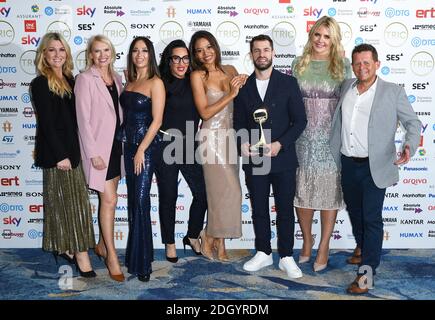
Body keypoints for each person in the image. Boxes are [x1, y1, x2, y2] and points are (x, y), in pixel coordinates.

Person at [330, 43, 421, 294]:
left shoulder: (393, 92)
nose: (362, 68)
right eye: (357, 63)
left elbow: (413, 124)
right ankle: (362, 248)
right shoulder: (346, 86)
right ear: (353, 66)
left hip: (375, 167)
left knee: (371, 219)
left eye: (367, 63)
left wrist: (408, 147)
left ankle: (366, 275)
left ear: (377, 64)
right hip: (348, 163)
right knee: (356, 213)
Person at [234, 34, 307, 279]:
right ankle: (263, 252)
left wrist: (279, 144)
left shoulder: (288, 83)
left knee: (285, 208)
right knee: (259, 209)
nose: (261, 54)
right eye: (257, 50)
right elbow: (238, 123)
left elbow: (300, 121)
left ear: (273, 53)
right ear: (251, 55)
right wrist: (242, 142)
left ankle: (286, 256)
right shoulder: (244, 87)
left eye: (266, 50)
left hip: (282, 157)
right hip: (255, 158)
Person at [31, 32, 96, 277]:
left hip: (74, 151)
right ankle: (80, 253)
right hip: (58, 155)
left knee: (76, 203)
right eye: (51, 50)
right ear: (44, 55)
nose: (57, 54)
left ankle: (68, 247)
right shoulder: (40, 83)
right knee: (64, 204)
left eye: (61, 50)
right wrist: (60, 156)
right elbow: (46, 124)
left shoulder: (71, 79)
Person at [291, 16, 351, 272]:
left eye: (327, 36)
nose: (321, 40)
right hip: (302, 139)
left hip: (330, 140)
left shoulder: (343, 65)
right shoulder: (298, 64)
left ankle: (324, 245)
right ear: (311, 36)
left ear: (334, 39)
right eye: (317, 34)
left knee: (328, 195)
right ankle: (307, 241)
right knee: (303, 195)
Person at [190, 30, 246, 261]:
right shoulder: (197, 76)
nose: (205, 53)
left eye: (209, 47)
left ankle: (218, 243)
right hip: (210, 138)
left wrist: (244, 82)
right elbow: (204, 111)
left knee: (227, 194)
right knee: (223, 192)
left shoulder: (230, 70)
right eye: (199, 50)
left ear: (215, 46)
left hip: (230, 137)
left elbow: (242, 101)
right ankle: (210, 235)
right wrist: (231, 93)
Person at [75, 34, 125, 282]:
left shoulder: (116, 78)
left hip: (116, 148)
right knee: (110, 200)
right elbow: (82, 120)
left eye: (106, 50)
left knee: (109, 202)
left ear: (112, 52)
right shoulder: (85, 79)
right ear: (90, 54)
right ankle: (111, 256)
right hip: (99, 152)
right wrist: (93, 154)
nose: (102, 55)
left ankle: (102, 245)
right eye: (97, 51)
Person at [155, 39, 207, 262]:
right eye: (176, 58)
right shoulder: (159, 83)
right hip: (166, 144)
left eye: (185, 58)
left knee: (203, 194)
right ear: (168, 60)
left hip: (190, 144)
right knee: (169, 196)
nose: (181, 63)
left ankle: (192, 235)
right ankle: (169, 242)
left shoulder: (195, 80)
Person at [118, 37, 165, 282]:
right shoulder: (131, 81)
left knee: (140, 200)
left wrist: (140, 151)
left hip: (145, 149)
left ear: (150, 54)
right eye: (135, 51)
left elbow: (157, 121)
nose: (139, 55)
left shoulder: (155, 82)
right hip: (128, 147)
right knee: (133, 204)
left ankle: (143, 263)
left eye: (144, 50)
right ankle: (136, 256)